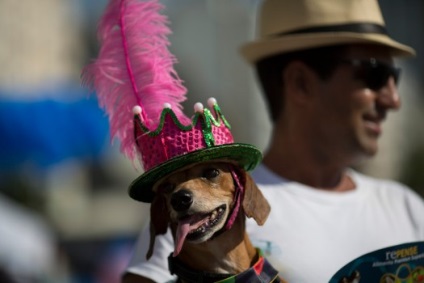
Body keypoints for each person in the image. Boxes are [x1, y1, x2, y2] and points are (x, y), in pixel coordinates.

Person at [122, 0, 424, 282]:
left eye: (394, 77)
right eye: (374, 74)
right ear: (299, 82)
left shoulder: (410, 209)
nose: (393, 99)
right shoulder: (194, 215)